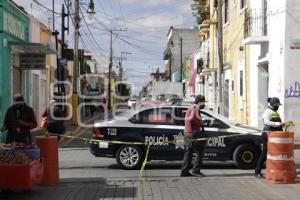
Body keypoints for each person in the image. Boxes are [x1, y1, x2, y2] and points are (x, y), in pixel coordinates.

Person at [254, 97, 285, 178]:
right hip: (267, 135)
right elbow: (266, 122)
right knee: (264, 153)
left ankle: (273, 171)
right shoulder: (268, 111)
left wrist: (282, 124)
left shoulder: (274, 112)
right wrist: (278, 124)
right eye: (276, 105)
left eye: (278, 105)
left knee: (274, 154)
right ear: (272, 105)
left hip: (274, 136)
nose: (278, 107)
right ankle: (257, 171)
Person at [180, 95, 206, 177]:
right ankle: (195, 170)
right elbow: (191, 119)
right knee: (200, 151)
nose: (204, 105)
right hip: (193, 133)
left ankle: (184, 171)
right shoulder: (195, 108)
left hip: (188, 132)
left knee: (188, 153)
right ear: (200, 102)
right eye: (203, 103)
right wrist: (200, 123)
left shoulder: (191, 108)